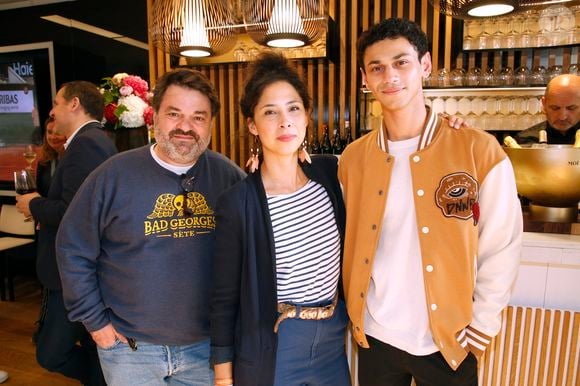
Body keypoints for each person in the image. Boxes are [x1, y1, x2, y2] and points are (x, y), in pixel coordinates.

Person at [338, 18, 523, 386]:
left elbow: (502, 244)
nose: (389, 75)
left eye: (401, 62)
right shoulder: (352, 160)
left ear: (425, 65)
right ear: (365, 77)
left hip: (450, 341)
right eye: (377, 67)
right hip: (376, 337)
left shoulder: (477, 149)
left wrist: (482, 326)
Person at [55, 68, 245, 386]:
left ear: (211, 122)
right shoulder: (112, 176)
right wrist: (95, 321)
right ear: (154, 116)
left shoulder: (228, 178)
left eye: (199, 117)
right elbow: (72, 248)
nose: (186, 126)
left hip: (207, 350)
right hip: (130, 350)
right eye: (174, 114)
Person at [210, 52, 351, 386]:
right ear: (252, 124)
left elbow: (388, 157)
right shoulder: (238, 202)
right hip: (275, 341)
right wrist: (223, 375)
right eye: (269, 112)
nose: (284, 122)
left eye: (293, 108)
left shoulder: (331, 174)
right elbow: (224, 297)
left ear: (306, 116)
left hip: (333, 335)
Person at [15, 80, 117, 386]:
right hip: (81, 270)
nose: (51, 110)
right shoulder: (93, 140)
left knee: (50, 353)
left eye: (57, 103)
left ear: (74, 104)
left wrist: (34, 205)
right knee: (91, 347)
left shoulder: (86, 144)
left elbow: (74, 213)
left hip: (73, 273)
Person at [516, 74, 580, 145]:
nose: (562, 117)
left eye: (571, 108)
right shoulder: (527, 139)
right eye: (555, 108)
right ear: (544, 104)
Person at [36, 116, 66, 197]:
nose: (53, 137)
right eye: (49, 132)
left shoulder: (74, 159)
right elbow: (41, 192)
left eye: (58, 133)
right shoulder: (44, 161)